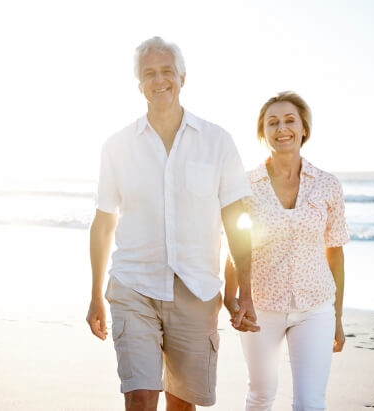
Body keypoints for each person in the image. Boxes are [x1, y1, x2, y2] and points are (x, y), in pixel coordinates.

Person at [86, 36, 258, 411]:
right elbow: (102, 223)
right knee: (141, 396)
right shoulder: (117, 146)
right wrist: (96, 293)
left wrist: (244, 291)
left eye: (167, 71)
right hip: (133, 286)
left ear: (183, 77)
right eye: (149, 73)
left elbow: (237, 221)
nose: (159, 80)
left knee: (183, 404)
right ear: (139, 84)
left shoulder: (217, 142)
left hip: (196, 290)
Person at [225, 91, 349, 410]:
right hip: (261, 307)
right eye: (273, 122)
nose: (282, 128)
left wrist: (336, 317)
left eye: (290, 120)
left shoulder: (327, 184)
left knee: (310, 403)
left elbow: (334, 251)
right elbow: (234, 248)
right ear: (263, 133)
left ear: (304, 129)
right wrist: (233, 299)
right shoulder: (245, 184)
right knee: (261, 394)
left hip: (315, 307)